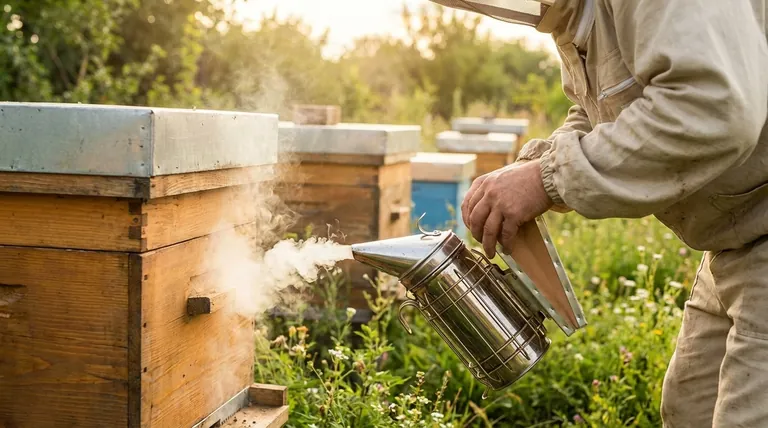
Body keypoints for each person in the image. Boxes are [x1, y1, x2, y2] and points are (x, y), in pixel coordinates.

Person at [427, 0, 768, 427]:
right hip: (731, 240)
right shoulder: (578, 17)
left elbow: (712, 108)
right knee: (688, 410)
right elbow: (608, 106)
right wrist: (537, 164)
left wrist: (545, 179)